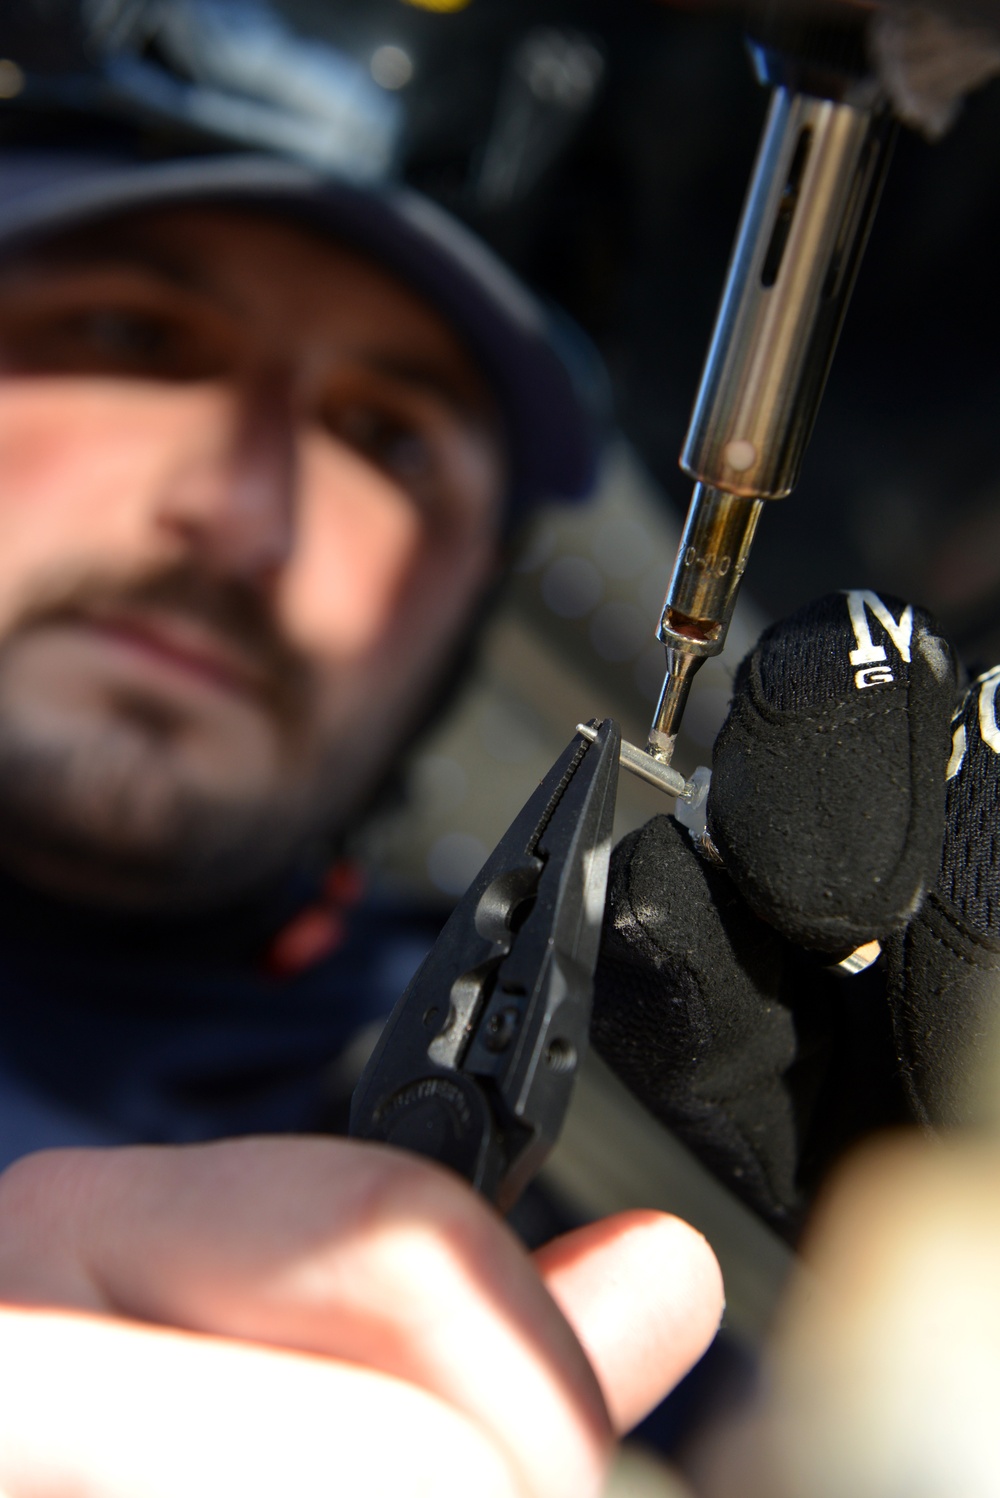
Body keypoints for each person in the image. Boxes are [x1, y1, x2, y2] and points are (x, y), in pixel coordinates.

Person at [0, 80, 725, 1498]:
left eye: (387, 435)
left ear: (459, 612)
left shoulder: (581, 1261)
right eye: (133, 335)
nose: (247, 516)